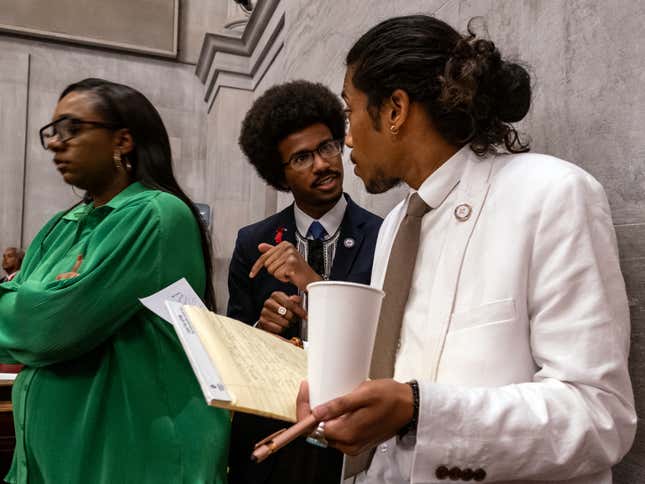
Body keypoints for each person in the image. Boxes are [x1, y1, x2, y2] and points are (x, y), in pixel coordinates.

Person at [296, 15, 636, 484]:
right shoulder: (395, 224)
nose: (347, 137)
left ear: (395, 109)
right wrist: (335, 404)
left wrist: (420, 410)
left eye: (349, 109)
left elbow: (600, 417)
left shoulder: (552, 194)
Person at [0, 78, 229, 484]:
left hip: (131, 454)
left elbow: (48, 328)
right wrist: (36, 300)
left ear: (122, 140)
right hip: (53, 458)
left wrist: (35, 299)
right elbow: (26, 321)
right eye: (51, 132)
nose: (55, 143)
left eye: (72, 128)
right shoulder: (60, 226)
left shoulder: (157, 214)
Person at [227, 80, 382, 484]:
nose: (322, 164)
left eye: (327, 147)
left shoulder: (383, 235)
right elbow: (236, 342)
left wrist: (314, 284)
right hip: (272, 437)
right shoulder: (252, 242)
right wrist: (265, 329)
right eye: (301, 158)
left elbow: (384, 341)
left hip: (348, 437)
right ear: (279, 176)